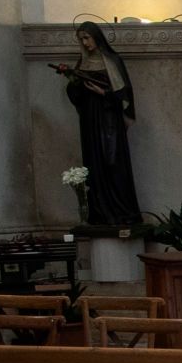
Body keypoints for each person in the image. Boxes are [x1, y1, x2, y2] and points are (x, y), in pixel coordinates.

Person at [55, 21, 142, 226]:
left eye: (87, 38)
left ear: (97, 37)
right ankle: (100, 212)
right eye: (81, 39)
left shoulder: (112, 60)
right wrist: (73, 81)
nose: (85, 43)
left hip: (110, 121)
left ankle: (122, 211)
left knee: (113, 162)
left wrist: (103, 92)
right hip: (90, 121)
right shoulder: (82, 62)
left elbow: (125, 94)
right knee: (95, 164)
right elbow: (74, 93)